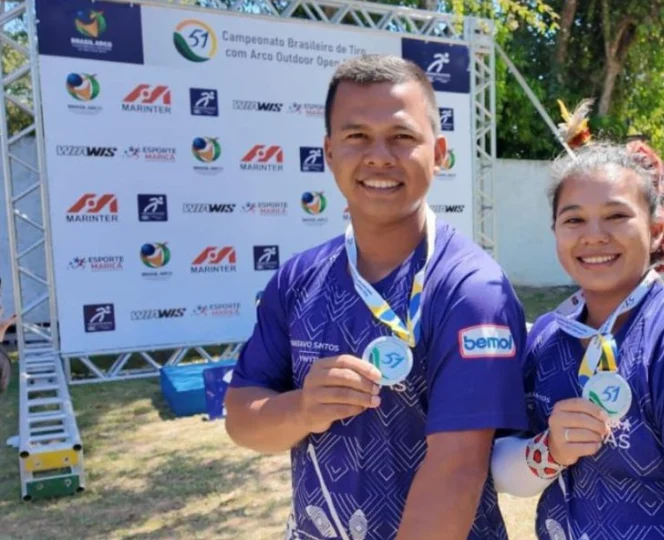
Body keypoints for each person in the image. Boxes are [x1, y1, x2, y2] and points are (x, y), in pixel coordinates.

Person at [224, 54, 529, 540]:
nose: (379, 156)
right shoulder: (298, 279)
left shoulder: (471, 291)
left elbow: (456, 472)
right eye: (356, 137)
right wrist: (303, 408)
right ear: (328, 152)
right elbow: (241, 417)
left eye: (402, 137)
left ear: (440, 151)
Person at [489, 139, 664, 540]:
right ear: (555, 231)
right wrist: (551, 450)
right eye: (574, 220)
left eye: (616, 216)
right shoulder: (550, 335)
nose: (594, 236)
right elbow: (502, 471)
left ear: (656, 230)